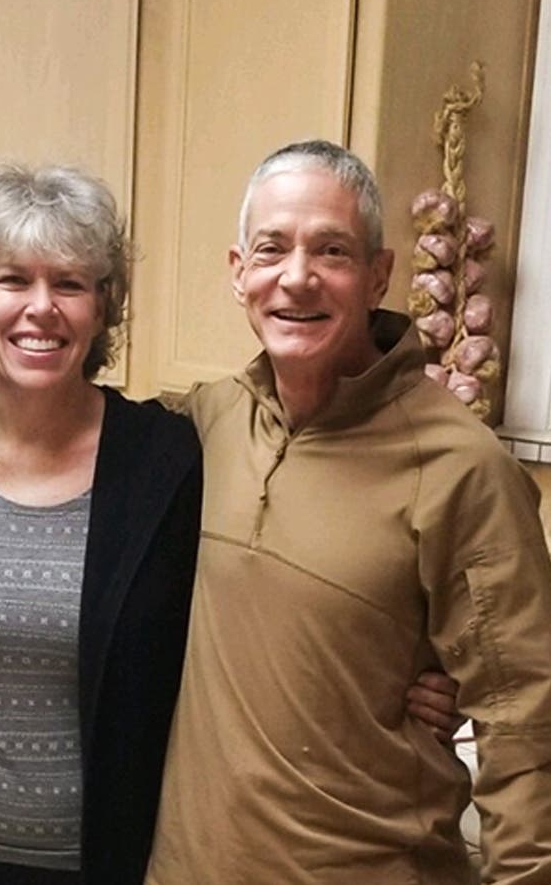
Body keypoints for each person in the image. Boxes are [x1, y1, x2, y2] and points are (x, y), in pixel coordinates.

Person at [145, 140, 551, 884]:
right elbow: (70, 434)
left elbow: (524, 716)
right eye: (272, 248)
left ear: (378, 276)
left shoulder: (462, 467)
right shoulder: (207, 423)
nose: (296, 276)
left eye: (331, 250)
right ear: (239, 273)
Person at [0, 163, 204, 885]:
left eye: (69, 282)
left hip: (114, 862)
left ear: (102, 304)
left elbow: (243, 603)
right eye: (13, 279)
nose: (41, 306)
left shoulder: (165, 460)